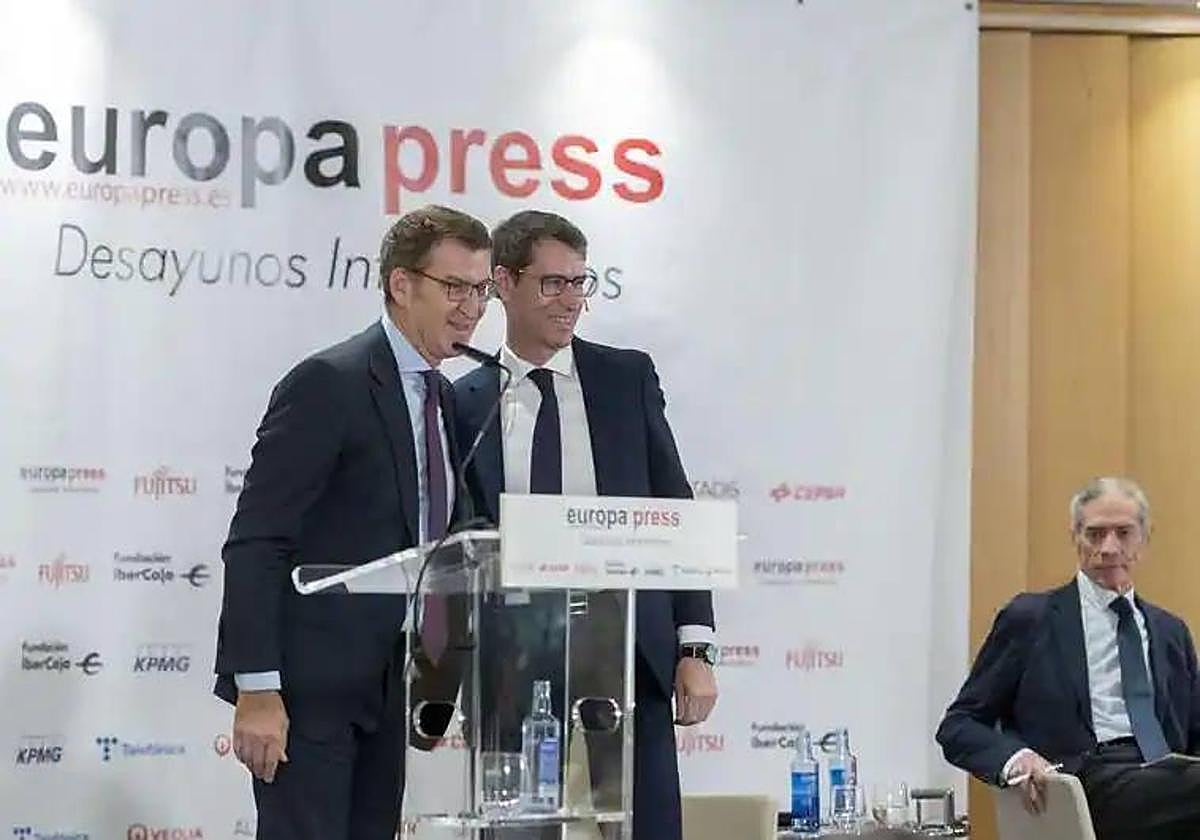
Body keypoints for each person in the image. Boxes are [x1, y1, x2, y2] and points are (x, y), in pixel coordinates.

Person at [213, 205, 493, 840]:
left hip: (394, 686)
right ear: (402, 285)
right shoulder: (329, 383)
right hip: (309, 694)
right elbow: (257, 541)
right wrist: (257, 689)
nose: (473, 309)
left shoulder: (444, 397)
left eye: (481, 290)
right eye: (456, 288)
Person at [453, 210, 718, 840]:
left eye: (579, 282)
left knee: (645, 825)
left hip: (625, 646)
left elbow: (674, 509)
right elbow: (459, 540)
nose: (571, 300)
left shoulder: (626, 379)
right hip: (513, 652)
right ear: (503, 283)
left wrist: (695, 647)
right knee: (516, 831)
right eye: (553, 283)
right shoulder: (463, 401)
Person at [937, 477, 1200, 840]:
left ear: (1144, 539)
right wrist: (1017, 759)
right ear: (1075, 537)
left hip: (1170, 779)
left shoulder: (1171, 632)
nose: (1109, 548)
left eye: (1123, 533)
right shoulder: (1030, 619)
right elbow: (959, 725)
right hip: (1084, 782)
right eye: (1095, 534)